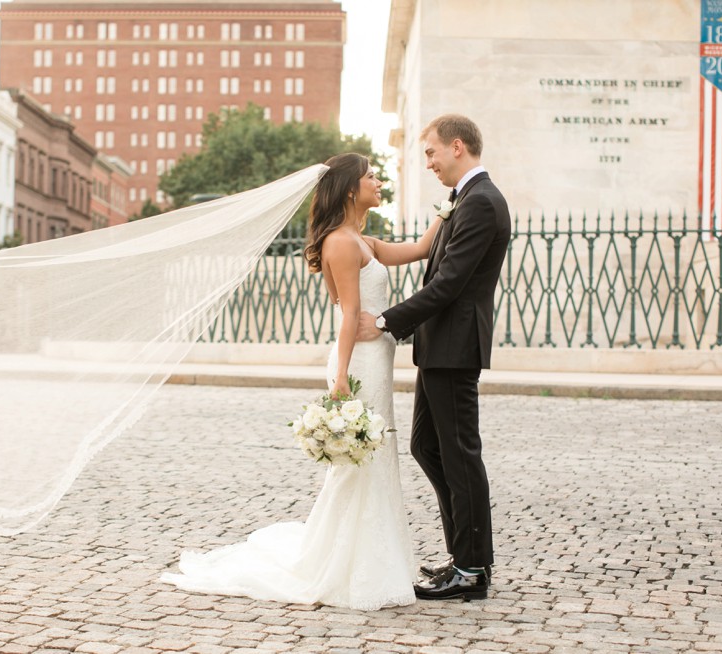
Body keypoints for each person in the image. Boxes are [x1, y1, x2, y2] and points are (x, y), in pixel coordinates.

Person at [161, 153, 443, 609]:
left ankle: (376, 557)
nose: (377, 181)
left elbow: (420, 250)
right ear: (351, 189)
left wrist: (447, 210)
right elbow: (350, 313)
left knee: (375, 457)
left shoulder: (362, 238)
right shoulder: (341, 243)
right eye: (371, 176)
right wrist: (340, 384)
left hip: (375, 357)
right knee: (359, 462)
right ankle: (350, 564)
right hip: (359, 363)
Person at [358, 114, 512, 601]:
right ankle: (463, 555)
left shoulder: (483, 202)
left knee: (460, 454)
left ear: (457, 146)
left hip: (454, 347)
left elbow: (449, 284)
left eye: (430, 153)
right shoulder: (464, 199)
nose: (427, 163)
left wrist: (384, 321)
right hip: (439, 347)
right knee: (428, 446)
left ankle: (471, 569)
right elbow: (433, 262)